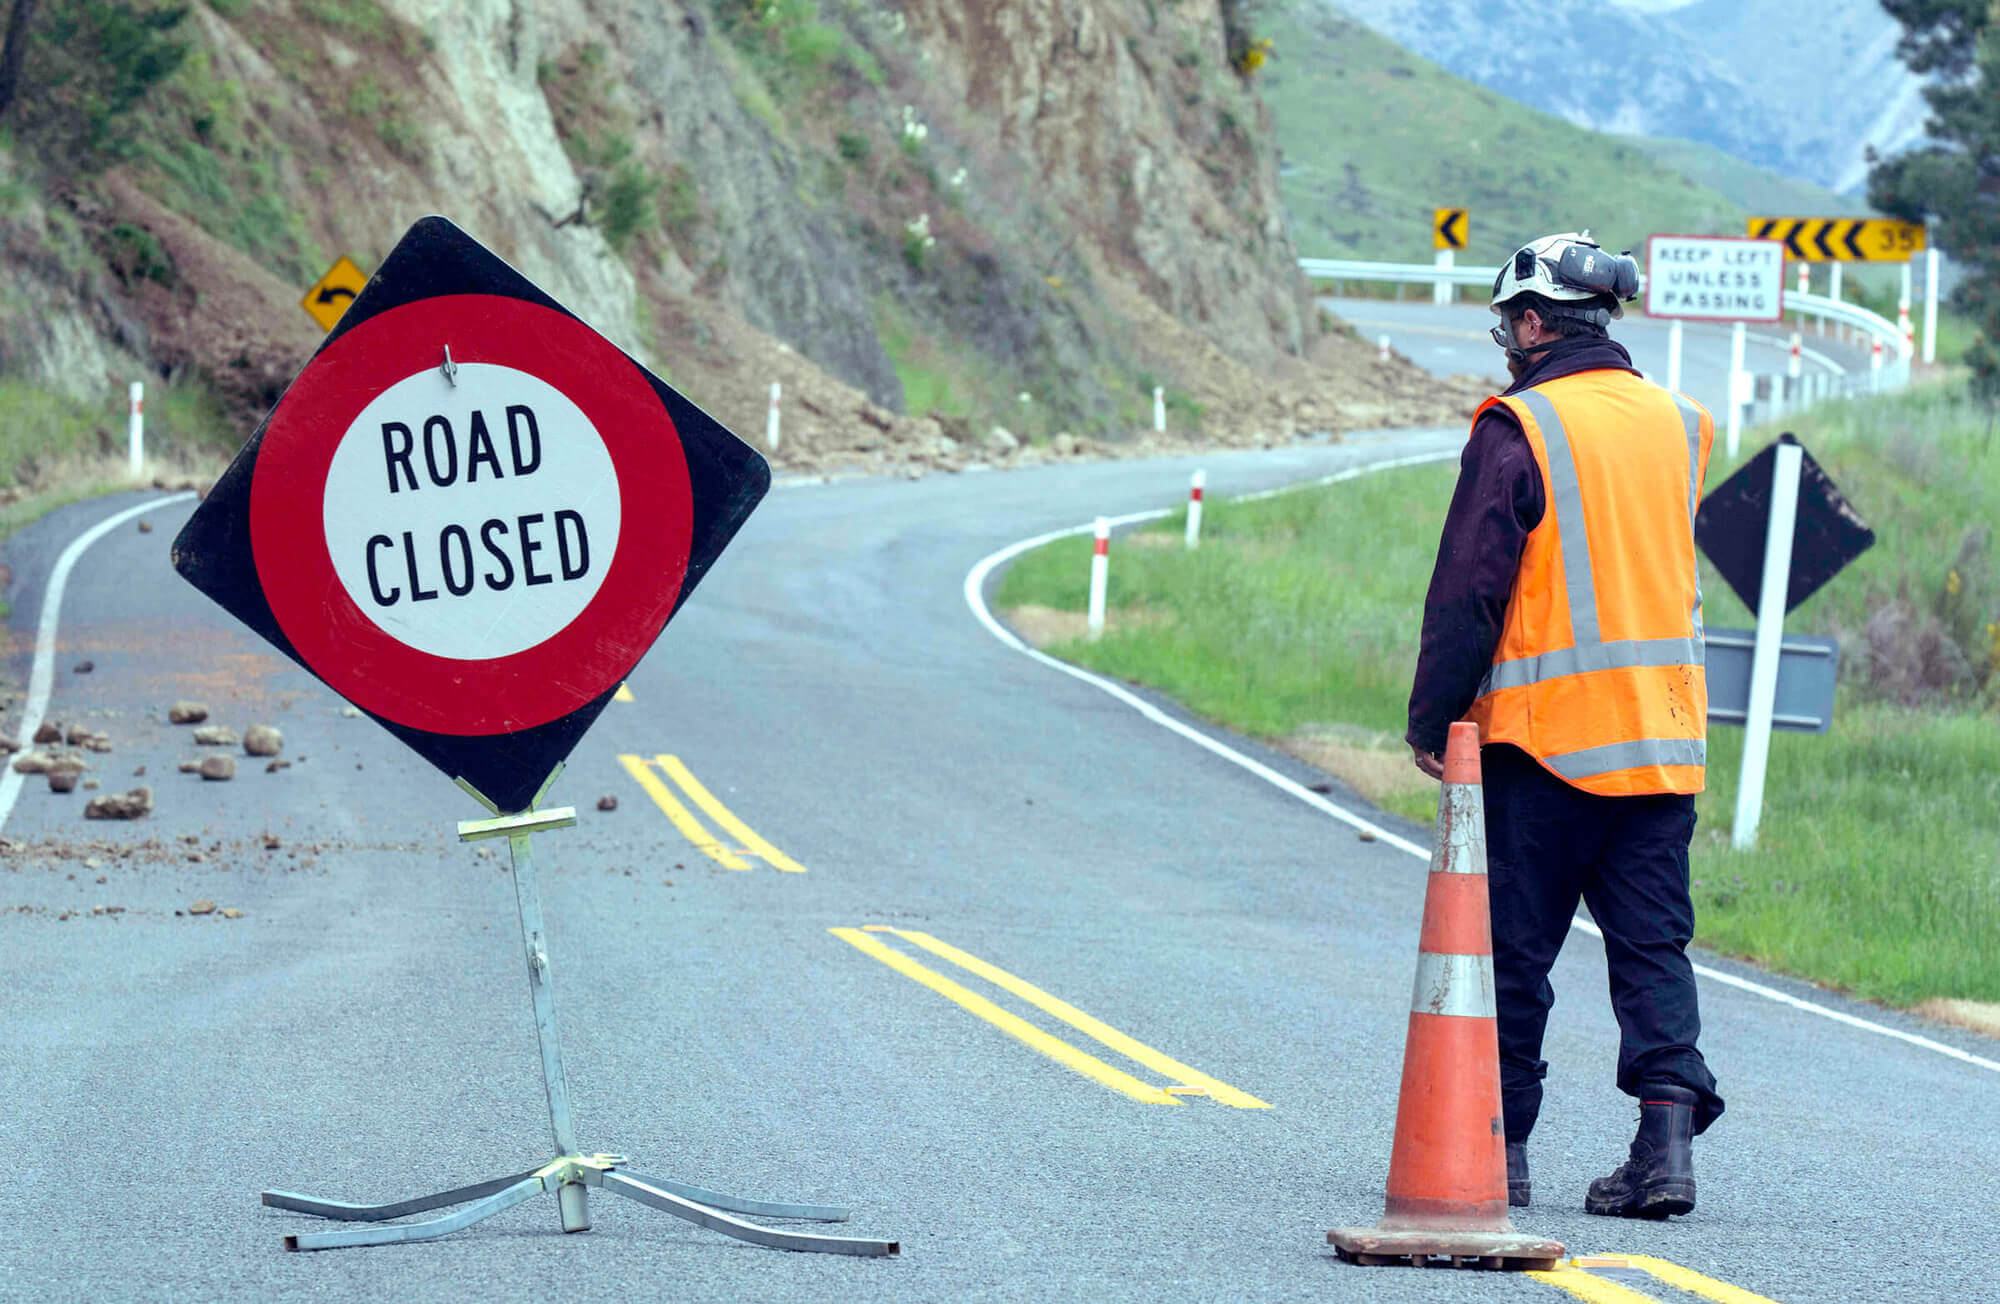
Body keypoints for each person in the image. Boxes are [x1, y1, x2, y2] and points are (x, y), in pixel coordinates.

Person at [1405, 231, 1724, 1220]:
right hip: (1659, 737)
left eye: (1510, 323)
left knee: (1510, 953)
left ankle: (1499, 1154)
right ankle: (1662, 1152)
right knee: (1651, 949)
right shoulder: (1681, 423)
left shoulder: (1517, 427)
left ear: (1536, 324)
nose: (1506, 341)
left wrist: (1432, 715)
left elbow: (1470, 587)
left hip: (1542, 742)